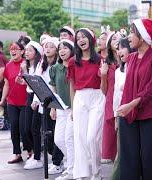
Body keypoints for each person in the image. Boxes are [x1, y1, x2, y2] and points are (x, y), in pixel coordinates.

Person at [116, 18, 152, 180]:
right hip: (129, 115)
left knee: (148, 161)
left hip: (150, 116)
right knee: (129, 160)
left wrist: (132, 104)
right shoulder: (131, 58)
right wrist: (124, 109)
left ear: (143, 37)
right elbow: (128, 87)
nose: (128, 36)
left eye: (132, 32)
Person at [68, 28, 105, 180]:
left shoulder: (100, 59)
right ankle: (81, 173)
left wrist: (103, 75)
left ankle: (97, 172)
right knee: (80, 138)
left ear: (90, 38)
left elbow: (105, 85)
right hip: (80, 98)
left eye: (84, 37)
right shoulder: (73, 61)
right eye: (78, 38)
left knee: (92, 137)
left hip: (97, 97)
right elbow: (72, 85)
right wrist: (71, 107)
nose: (81, 40)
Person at [31, 37, 64, 174]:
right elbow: (37, 82)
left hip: (55, 103)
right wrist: (35, 100)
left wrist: (54, 106)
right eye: (46, 46)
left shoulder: (58, 65)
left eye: (51, 46)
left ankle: (57, 161)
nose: (47, 49)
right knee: (47, 135)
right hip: (44, 104)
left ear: (56, 49)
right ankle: (58, 158)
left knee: (57, 134)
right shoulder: (41, 64)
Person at [0, 42, 31, 164]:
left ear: (22, 51)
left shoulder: (27, 65)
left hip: (25, 101)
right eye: (11, 49)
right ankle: (17, 153)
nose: (13, 51)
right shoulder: (8, 65)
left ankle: (30, 151)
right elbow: (6, 84)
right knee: (14, 128)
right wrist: (2, 101)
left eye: (16, 49)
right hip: (11, 102)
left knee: (24, 128)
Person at [50, 39, 75, 180]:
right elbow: (53, 88)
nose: (62, 51)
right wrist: (52, 108)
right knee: (59, 139)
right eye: (60, 48)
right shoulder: (55, 68)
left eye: (65, 48)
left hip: (73, 108)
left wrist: (74, 108)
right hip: (60, 109)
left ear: (71, 50)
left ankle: (71, 169)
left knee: (69, 139)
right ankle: (73, 162)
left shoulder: (75, 66)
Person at [111, 37, 135, 180]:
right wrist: (116, 116)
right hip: (122, 113)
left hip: (135, 111)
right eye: (117, 49)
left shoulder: (136, 66)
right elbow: (115, 95)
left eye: (122, 48)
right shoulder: (118, 71)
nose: (119, 52)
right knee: (122, 151)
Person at [21, 41, 44, 170]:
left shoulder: (39, 65)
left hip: (36, 97)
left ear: (36, 52)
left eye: (29, 50)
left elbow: (36, 83)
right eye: (26, 50)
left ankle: (37, 158)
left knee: (34, 128)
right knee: (27, 128)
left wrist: (25, 73)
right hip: (29, 96)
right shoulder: (28, 66)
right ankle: (35, 154)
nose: (26, 53)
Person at [101, 31, 121, 164]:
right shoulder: (106, 63)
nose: (117, 40)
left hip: (125, 100)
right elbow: (104, 90)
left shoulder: (130, 59)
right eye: (114, 38)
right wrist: (103, 75)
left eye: (120, 38)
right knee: (112, 132)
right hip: (110, 100)